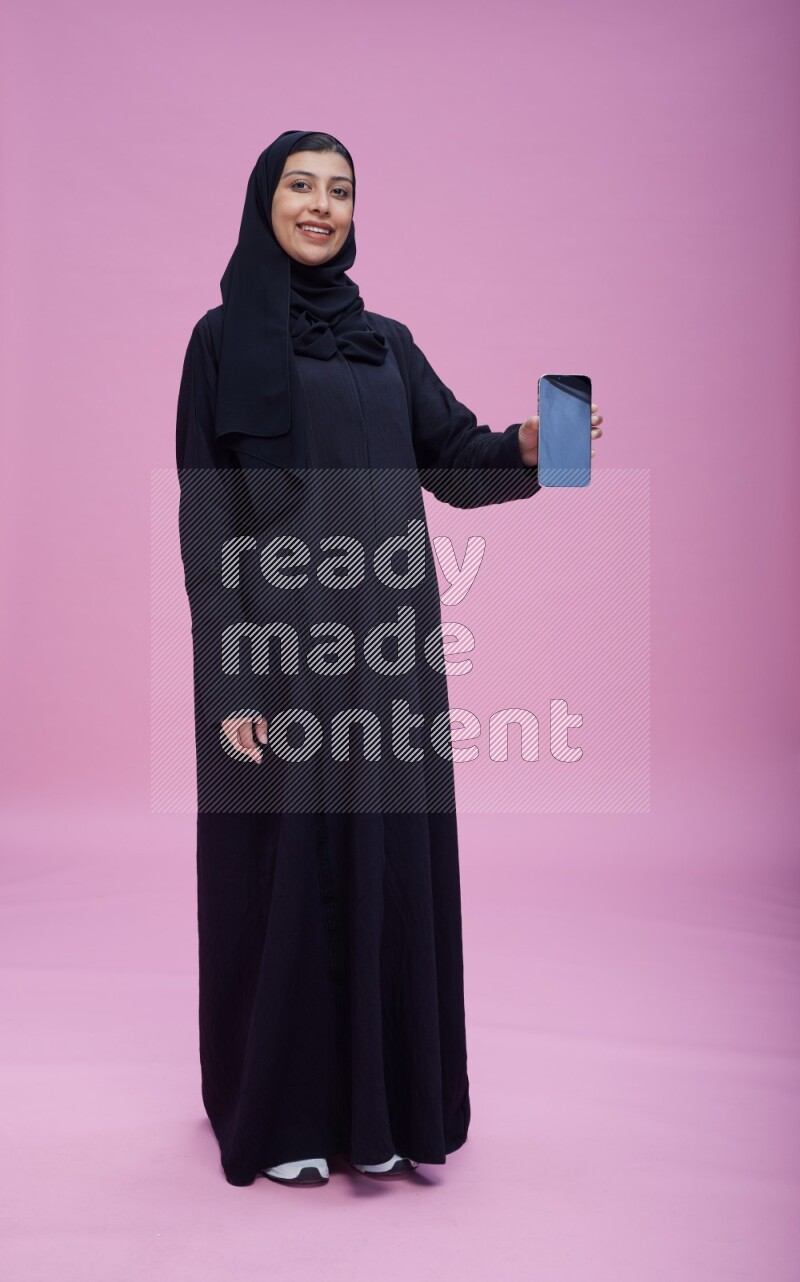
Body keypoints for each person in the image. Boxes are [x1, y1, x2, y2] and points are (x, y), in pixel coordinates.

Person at [176, 129, 603, 1188]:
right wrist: (228, 677)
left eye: (339, 190)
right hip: (275, 654)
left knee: (383, 869)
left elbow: (451, 459)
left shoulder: (386, 343)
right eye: (299, 186)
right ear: (262, 201)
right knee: (284, 871)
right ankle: (282, 1115)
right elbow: (205, 518)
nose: (319, 205)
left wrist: (536, 441)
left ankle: (387, 1107)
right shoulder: (220, 339)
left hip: (388, 651)